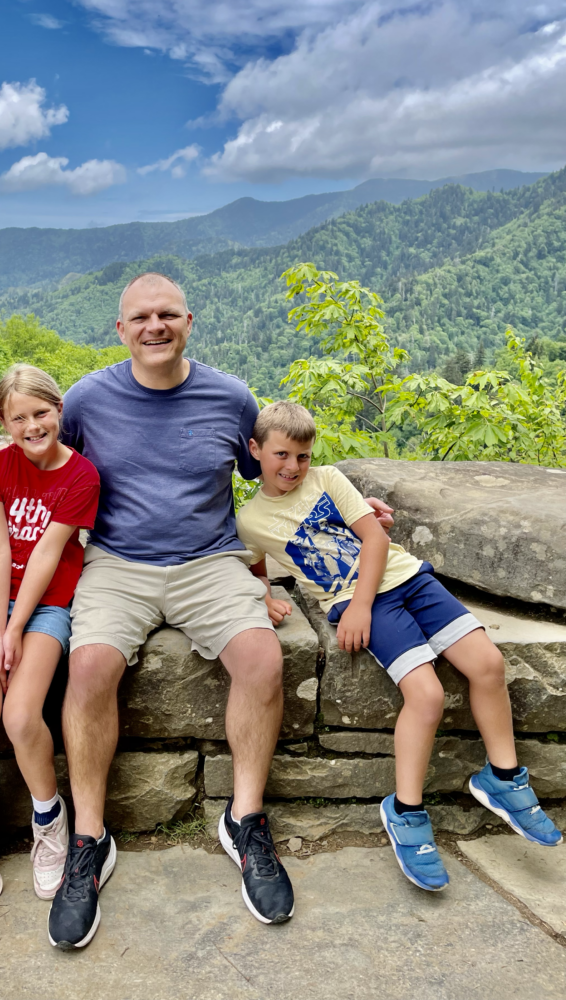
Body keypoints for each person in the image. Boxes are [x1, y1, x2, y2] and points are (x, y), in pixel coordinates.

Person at [46, 271, 394, 949]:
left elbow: (274, 472)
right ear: (120, 330)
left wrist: (348, 512)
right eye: (140, 317)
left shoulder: (230, 397)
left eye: (167, 314)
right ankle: (88, 838)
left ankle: (245, 821)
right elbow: (48, 467)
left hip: (210, 560)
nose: (155, 327)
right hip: (117, 562)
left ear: (189, 320)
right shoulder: (87, 399)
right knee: (86, 668)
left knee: (263, 659)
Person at [237, 399, 562, 892]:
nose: (293, 467)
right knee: (426, 696)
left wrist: (362, 604)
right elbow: (253, 564)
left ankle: (504, 776)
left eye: (302, 456)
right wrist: (261, 594)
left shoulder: (327, 478)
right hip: (358, 602)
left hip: (406, 581)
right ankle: (407, 813)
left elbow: (375, 539)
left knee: (488, 664)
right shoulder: (251, 520)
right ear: (256, 449)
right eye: (282, 455)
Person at [0, 365, 100, 916]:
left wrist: (15, 630)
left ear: (59, 411)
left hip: (47, 604)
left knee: (19, 716)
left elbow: (44, 555)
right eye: (20, 418)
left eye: (42, 413)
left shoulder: (81, 475)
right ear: (4, 422)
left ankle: (48, 817)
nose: (33, 425)